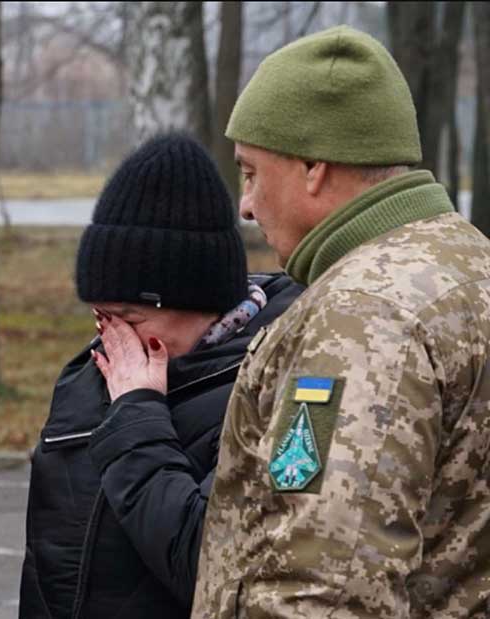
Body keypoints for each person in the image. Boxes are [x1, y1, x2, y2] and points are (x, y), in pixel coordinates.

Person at [192, 26, 490, 617]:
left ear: (313, 168)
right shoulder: (470, 264)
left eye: (251, 172)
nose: (245, 204)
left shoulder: (362, 318)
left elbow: (325, 584)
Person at [18, 133, 303, 619]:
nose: (113, 340)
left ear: (203, 303)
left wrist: (137, 414)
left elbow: (208, 568)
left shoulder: (264, 384)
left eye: (129, 318)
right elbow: (47, 566)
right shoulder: (89, 375)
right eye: (99, 317)